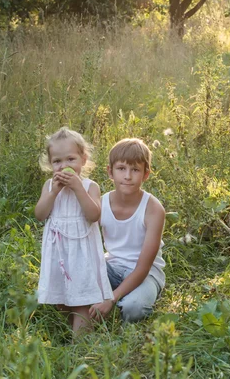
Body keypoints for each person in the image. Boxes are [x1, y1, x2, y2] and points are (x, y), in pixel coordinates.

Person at [35, 127, 113, 334]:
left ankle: (80, 343)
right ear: (50, 164)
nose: (64, 166)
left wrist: (78, 188)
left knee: (82, 296)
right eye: (57, 161)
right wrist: (54, 192)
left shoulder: (90, 186)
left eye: (70, 159)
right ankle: (72, 326)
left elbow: (93, 215)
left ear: (83, 160)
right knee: (61, 297)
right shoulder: (49, 186)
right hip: (59, 252)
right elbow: (40, 214)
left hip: (82, 252)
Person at [89, 138, 166, 323]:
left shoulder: (153, 209)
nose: (128, 176)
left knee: (134, 308)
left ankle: (133, 298)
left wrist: (111, 298)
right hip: (112, 267)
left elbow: (143, 267)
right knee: (78, 277)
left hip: (146, 273)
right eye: (121, 168)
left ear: (146, 174)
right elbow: (85, 244)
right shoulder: (101, 204)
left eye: (135, 170)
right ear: (110, 172)